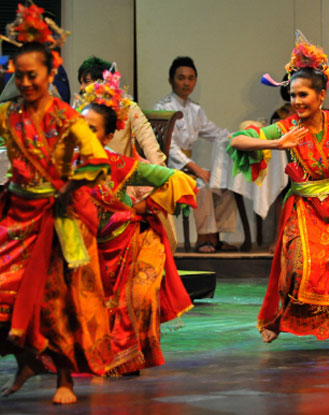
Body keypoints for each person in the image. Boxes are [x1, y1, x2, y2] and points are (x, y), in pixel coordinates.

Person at [229, 31, 329, 351]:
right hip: (303, 206)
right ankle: (279, 320)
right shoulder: (288, 128)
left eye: (303, 95)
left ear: (321, 94)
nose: (296, 102)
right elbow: (237, 141)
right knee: (296, 270)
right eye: (293, 95)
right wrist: (275, 143)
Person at [0, 4, 112, 404]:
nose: (26, 82)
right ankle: (27, 358)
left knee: (56, 299)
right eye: (19, 75)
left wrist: (69, 187)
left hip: (57, 218)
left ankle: (65, 377)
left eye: (33, 75)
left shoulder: (67, 118)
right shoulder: (7, 115)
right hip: (17, 217)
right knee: (3, 293)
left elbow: (97, 158)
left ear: (50, 73)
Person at [77, 71, 197, 375]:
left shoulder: (120, 165)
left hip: (130, 242)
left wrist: (145, 205)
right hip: (88, 249)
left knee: (139, 298)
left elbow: (180, 181)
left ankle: (127, 356)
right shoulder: (64, 165)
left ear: (106, 137)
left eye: (92, 131)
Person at [154, 56, 237, 253]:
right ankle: (203, 237)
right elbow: (170, 148)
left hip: (189, 165)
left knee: (224, 183)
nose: (186, 82)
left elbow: (215, 133)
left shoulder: (195, 109)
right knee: (201, 185)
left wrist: (242, 136)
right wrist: (197, 169)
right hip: (168, 166)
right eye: (181, 78)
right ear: (171, 80)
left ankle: (216, 237)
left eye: (191, 78)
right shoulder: (162, 108)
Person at [76, 56, 166, 166]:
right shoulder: (84, 110)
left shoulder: (127, 108)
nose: (82, 88)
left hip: (119, 173)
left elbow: (149, 143)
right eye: (81, 82)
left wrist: (161, 175)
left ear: (104, 81)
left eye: (86, 82)